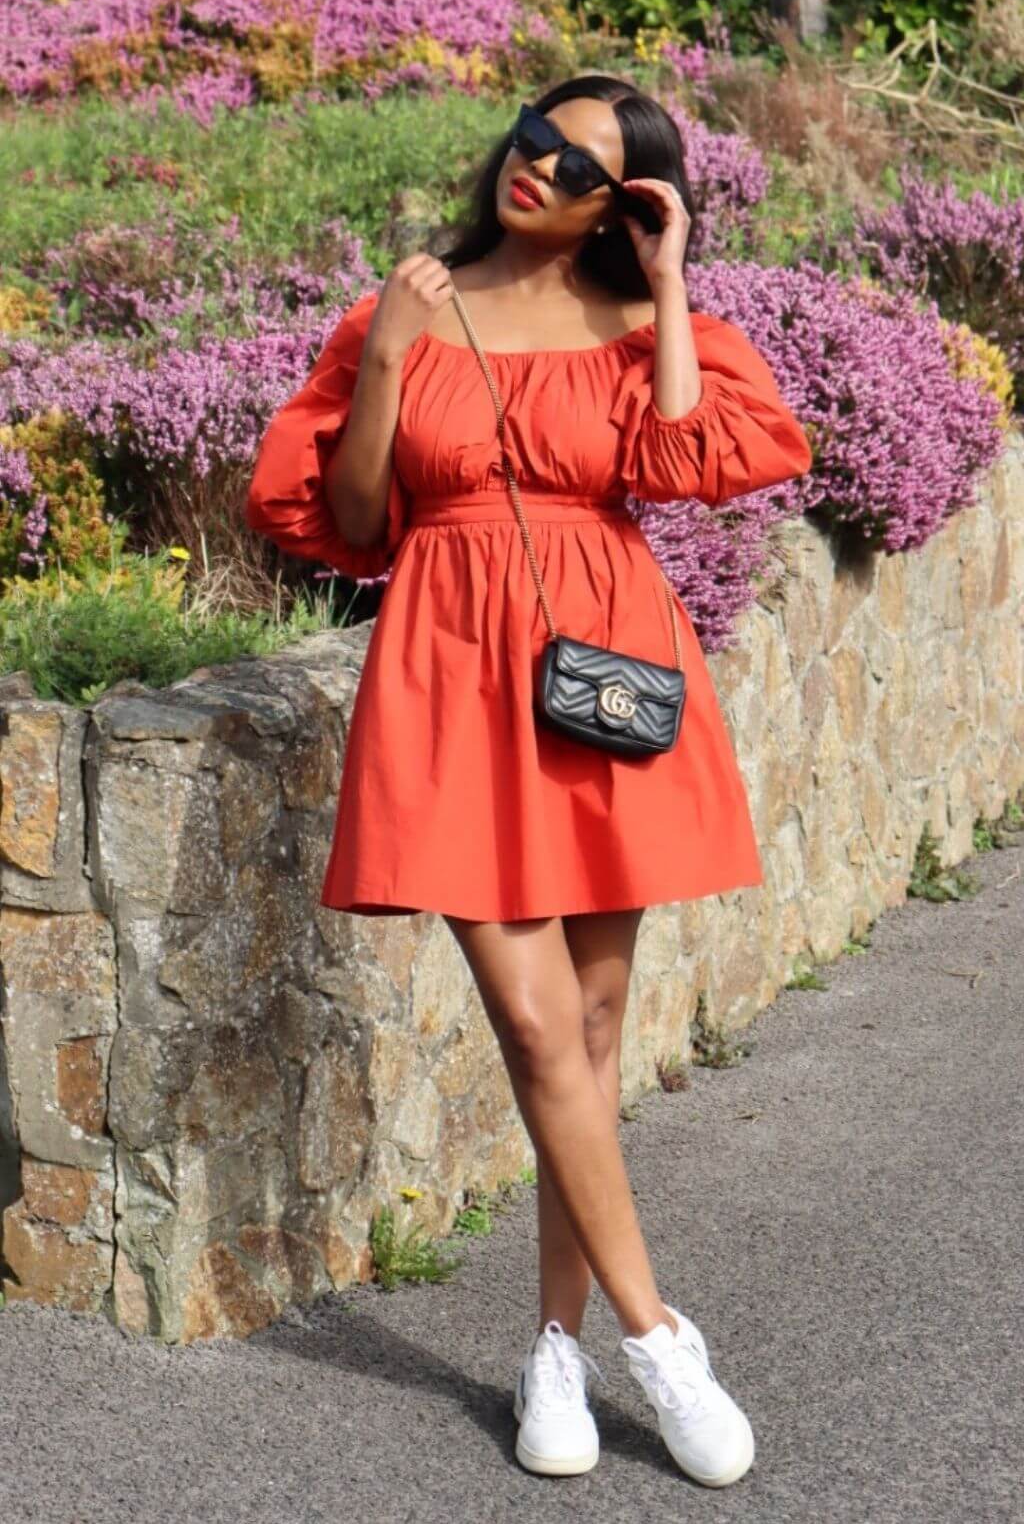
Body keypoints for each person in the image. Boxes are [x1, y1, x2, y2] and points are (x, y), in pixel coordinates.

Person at [246, 74, 812, 1488]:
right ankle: (660, 1339)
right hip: (448, 670)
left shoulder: (634, 320)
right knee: (536, 1022)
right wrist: (390, 355)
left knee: (597, 1027)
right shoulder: (406, 308)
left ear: (622, 207)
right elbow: (355, 521)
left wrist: (668, 286)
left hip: (603, 670)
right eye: (540, 135)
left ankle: (555, 1349)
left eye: (585, 169)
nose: (542, 166)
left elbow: (686, 462)